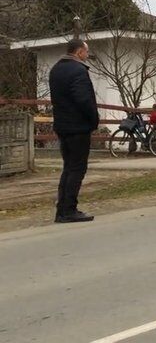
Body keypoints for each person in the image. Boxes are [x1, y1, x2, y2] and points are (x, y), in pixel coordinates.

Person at [49, 39, 99, 223]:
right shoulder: (78, 71)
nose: (87, 55)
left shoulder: (56, 70)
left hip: (62, 125)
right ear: (79, 52)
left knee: (68, 167)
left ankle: (61, 209)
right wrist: (94, 119)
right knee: (77, 168)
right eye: (86, 52)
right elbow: (83, 100)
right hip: (78, 126)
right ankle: (69, 209)